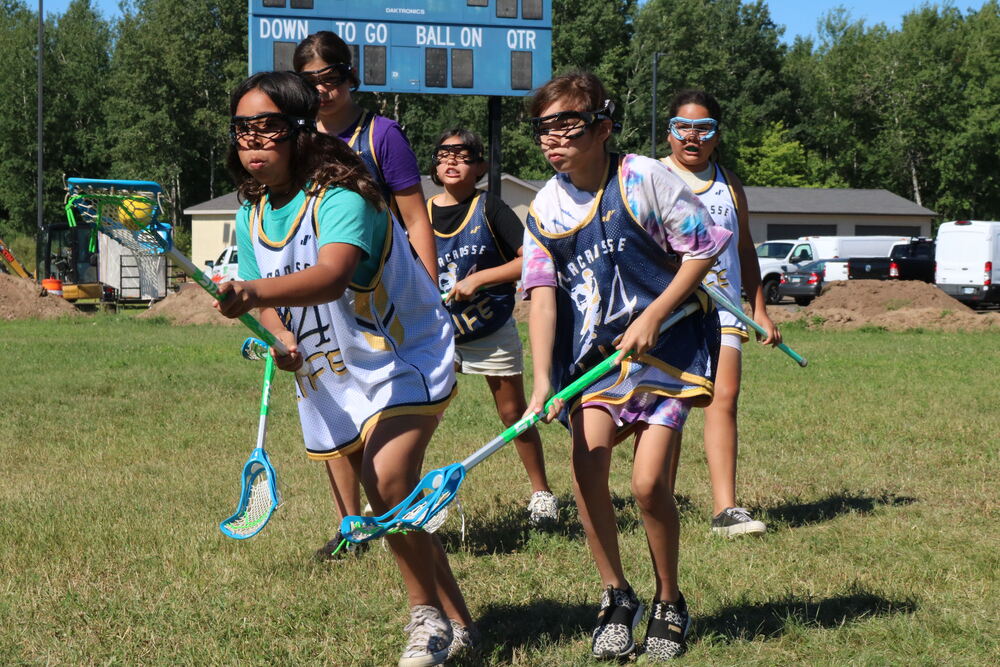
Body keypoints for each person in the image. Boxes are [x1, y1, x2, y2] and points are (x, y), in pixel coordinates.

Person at [216, 71, 476, 666]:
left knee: (386, 481)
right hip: (335, 367)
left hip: (403, 351)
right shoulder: (252, 213)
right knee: (394, 496)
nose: (254, 141)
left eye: (269, 128)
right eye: (243, 130)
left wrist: (251, 292)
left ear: (301, 131)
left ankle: (425, 619)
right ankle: (460, 625)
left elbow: (332, 273)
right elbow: (279, 307)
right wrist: (278, 335)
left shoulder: (342, 198)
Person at [520, 71, 729, 661]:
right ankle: (616, 595)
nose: (554, 138)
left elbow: (706, 244)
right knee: (587, 475)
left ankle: (669, 599)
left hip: (668, 351)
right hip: (596, 363)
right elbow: (541, 294)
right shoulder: (546, 206)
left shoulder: (642, 177)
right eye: (544, 127)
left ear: (603, 128)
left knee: (645, 485)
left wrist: (654, 315)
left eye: (568, 124)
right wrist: (542, 384)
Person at [293, 31, 439, 559]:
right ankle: (350, 527)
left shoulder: (381, 135)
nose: (322, 91)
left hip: (382, 297)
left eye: (330, 79)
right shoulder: (295, 138)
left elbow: (415, 217)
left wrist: (428, 286)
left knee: (385, 402)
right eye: (310, 83)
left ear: (349, 77)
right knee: (330, 402)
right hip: (318, 298)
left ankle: (398, 514)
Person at [661, 90, 782, 538]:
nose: (693, 137)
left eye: (704, 128)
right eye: (683, 127)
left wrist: (761, 310)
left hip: (725, 308)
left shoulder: (729, 183)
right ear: (670, 132)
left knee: (722, 399)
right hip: (672, 312)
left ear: (716, 135)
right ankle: (658, 495)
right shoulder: (651, 177)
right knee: (669, 405)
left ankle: (725, 508)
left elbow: (744, 248)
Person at [428, 128, 558, 526]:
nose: (451, 160)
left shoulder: (491, 208)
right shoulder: (419, 210)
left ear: (480, 166)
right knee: (421, 412)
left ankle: (541, 494)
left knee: (513, 411)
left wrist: (479, 279)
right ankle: (399, 491)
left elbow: (532, 259)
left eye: (463, 155)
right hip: (439, 331)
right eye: (444, 153)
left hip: (490, 324)